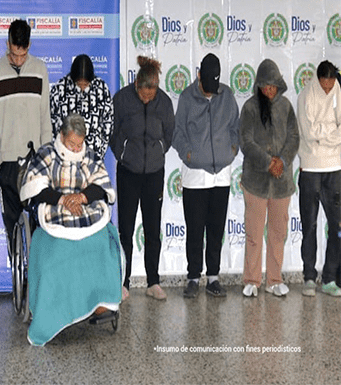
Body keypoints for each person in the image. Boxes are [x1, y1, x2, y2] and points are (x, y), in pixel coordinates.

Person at [20, 114, 122, 346]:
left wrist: (82, 196)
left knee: (100, 244)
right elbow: (35, 187)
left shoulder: (90, 155)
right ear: (62, 136)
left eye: (79, 144)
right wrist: (63, 199)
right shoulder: (46, 154)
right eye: (71, 143)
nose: (76, 148)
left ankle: (100, 301)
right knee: (56, 252)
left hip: (85, 207)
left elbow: (102, 185)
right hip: (55, 208)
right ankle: (52, 312)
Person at [172, 53, 239, 298]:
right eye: (206, 88)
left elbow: (235, 128)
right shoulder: (186, 98)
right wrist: (188, 154)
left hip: (221, 176)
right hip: (194, 177)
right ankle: (192, 277)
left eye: (214, 88)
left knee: (215, 229)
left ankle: (213, 277)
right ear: (198, 75)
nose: (210, 93)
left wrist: (232, 150)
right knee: (195, 229)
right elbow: (177, 133)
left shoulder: (228, 95)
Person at [111, 55, 174, 300]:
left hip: (154, 174)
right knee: (126, 229)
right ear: (137, 84)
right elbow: (112, 132)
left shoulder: (164, 103)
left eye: (152, 94)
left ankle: (153, 282)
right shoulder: (123, 100)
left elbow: (169, 135)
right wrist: (123, 152)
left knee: (152, 229)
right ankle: (123, 283)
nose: (147, 98)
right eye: (144, 94)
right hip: (128, 173)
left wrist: (158, 150)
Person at [0, 19, 52, 251]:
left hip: (36, 161)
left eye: (22, 55)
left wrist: (47, 159)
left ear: (29, 46)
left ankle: (37, 281)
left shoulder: (40, 69)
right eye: (14, 54)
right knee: (11, 226)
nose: (18, 60)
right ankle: (19, 282)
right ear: (8, 44)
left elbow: (46, 117)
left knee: (39, 226)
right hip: (7, 163)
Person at [239, 59, 299, 298]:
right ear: (259, 85)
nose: (269, 90)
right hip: (255, 182)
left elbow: (294, 138)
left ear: (279, 84)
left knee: (277, 233)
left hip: (282, 183)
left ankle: (274, 280)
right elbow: (246, 142)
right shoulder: (250, 107)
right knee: (254, 234)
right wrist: (268, 163)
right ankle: (252, 280)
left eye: (272, 85)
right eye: (264, 85)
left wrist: (281, 162)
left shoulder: (286, 107)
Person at [296, 60, 341, 297]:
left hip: (335, 167)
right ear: (318, 79)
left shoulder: (338, 90)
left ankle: (330, 278)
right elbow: (309, 131)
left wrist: (323, 137)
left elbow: (323, 132)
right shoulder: (306, 95)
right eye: (324, 85)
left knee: (337, 226)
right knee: (310, 225)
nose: (327, 90)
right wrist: (331, 132)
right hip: (311, 168)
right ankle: (309, 277)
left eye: (330, 85)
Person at [49, 54, 113, 161]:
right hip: (65, 155)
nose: (83, 87)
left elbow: (108, 123)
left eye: (86, 84)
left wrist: (100, 152)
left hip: (92, 156)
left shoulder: (101, 89)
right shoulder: (59, 89)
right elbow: (52, 122)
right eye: (79, 84)